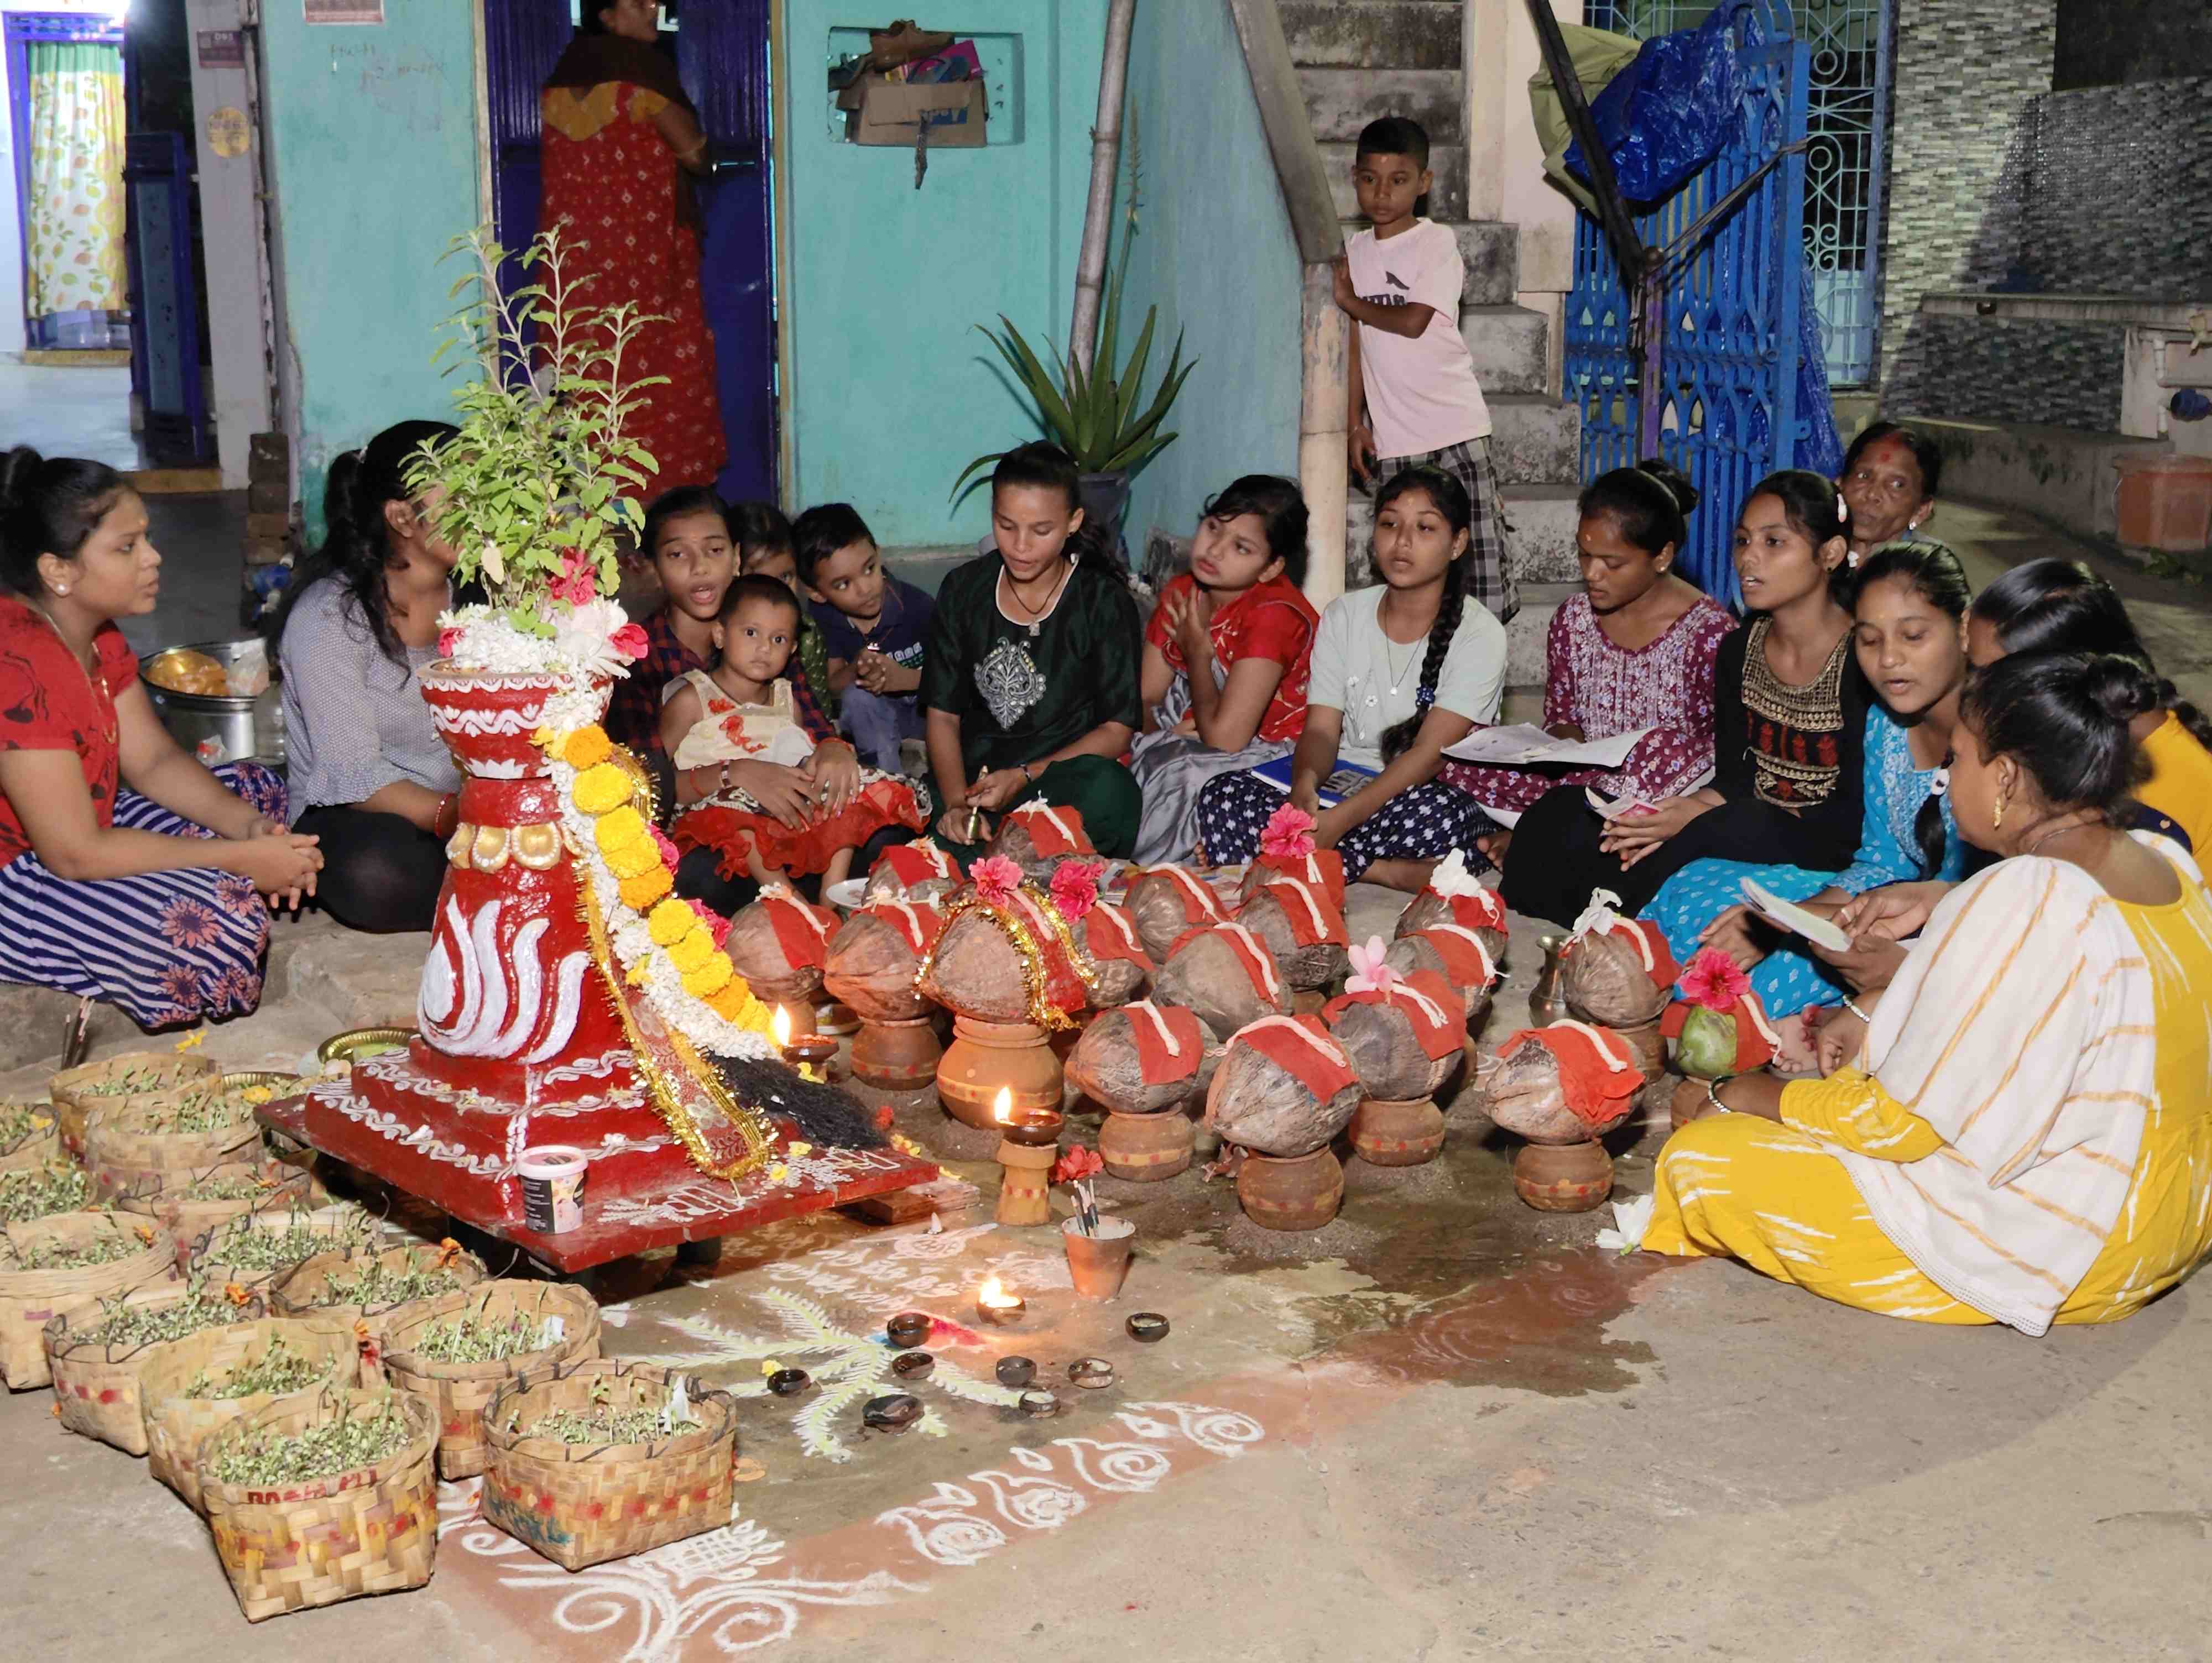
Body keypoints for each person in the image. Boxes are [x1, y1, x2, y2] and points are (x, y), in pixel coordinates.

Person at [1632, 653, 2212, 1333]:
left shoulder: (2027, 891)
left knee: (1708, 1159)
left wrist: (1741, 1094)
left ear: (2006, 778)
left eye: (1957, 759)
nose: (1942, 780)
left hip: (2073, 1245)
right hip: (2176, 1217)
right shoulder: (2164, 859)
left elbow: (1898, 1124)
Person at [0, 449, 321, 1026]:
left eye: (144, 539)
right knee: (215, 923)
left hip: (83, 828)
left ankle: (232, 861)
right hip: (20, 872)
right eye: (127, 547)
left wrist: (247, 830)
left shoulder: (94, 633)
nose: (153, 558)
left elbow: (149, 760)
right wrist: (243, 859)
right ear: (58, 571)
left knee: (256, 790)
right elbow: (75, 852)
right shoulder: (16, 666)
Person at [1806, 556, 2212, 1001]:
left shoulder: (2141, 794)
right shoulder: (2090, 757)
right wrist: (1945, 897)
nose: (1973, 694)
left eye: (1990, 678)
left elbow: (2079, 972)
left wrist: (1912, 974)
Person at [1498, 471, 1870, 925]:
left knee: (1709, 832)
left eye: (1774, 543)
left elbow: (1854, 810)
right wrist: (1677, 811)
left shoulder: (1864, 658)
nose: (1749, 558)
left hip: (1824, 837)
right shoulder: (1742, 648)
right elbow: (1735, 779)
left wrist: (1699, 816)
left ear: (1829, 554)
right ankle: (1595, 903)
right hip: (1739, 816)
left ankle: (1610, 913)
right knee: (1563, 813)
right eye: (1742, 540)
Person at [1640, 542, 1975, 1042]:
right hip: (1887, 903)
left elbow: (2019, 890)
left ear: (1964, 628)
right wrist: (1782, 918)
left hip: (1968, 929)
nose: (1888, 659)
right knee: (1701, 889)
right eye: (1868, 639)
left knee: (1781, 973)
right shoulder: (1885, 726)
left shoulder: (2001, 737)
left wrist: (1798, 927)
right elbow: (1882, 865)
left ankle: (1755, 1021)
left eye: (1913, 635)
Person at [1193, 465, 1507, 891]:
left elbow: (1430, 755)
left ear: (1457, 544)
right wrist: (1305, 787)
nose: (1403, 541)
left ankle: (1292, 854)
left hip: (1419, 792)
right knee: (1222, 795)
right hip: (1340, 780)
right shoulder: (1344, 615)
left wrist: (1340, 821)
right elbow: (1322, 729)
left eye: (1426, 529)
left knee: (1442, 821)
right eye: (1390, 524)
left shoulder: (1480, 633)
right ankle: (1382, 869)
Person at [1441, 459, 1733, 844]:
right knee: (1458, 750)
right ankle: (1562, 830)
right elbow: (1562, 718)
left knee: (1665, 750)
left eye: (1612, 563)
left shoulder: (1711, 633)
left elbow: (1718, 754)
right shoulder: (1573, 619)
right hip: (1585, 784)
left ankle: (1546, 832)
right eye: (1584, 556)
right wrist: (1560, 749)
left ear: (1662, 557)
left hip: (1663, 792)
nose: (1593, 573)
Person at [272, 421, 466, 934]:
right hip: (364, 814)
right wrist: (465, 819)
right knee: (375, 873)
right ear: (402, 517)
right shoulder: (331, 620)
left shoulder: (487, 597)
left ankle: (486, 889)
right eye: (462, 495)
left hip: (473, 812)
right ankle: (495, 895)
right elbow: (354, 775)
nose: (487, 514)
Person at [917, 442, 1144, 860]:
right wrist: (954, 804)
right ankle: (1007, 860)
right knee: (911, 819)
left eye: (1041, 531)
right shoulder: (963, 590)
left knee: (1111, 793)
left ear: (1073, 522)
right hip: (973, 784)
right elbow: (943, 716)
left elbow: (1117, 730)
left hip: (1055, 783)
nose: (1021, 546)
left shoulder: (1103, 603)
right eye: (1007, 526)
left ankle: (1008, 860)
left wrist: (1024, 775)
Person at [1334, 116, 1515, 623]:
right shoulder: (1353, 252)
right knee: (1404, 572)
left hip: (1455, 430)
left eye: (1398, 180)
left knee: (1478, 572)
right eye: (1370, 179)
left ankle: (1479, 690)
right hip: (1395, 443)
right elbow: (1354, 344)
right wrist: (1355, 422)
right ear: (1354, 179)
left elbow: (1414, 322)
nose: (1382, 193)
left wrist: (1350, 299)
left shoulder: (1435, 245)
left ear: (1424, 183)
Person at [540, 0, 725, 494]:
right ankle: (659, 504)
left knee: (583, 378)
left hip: (573, 274)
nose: (652, 9)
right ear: (606, 14)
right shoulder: (644, 76)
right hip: (645, 270)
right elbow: (699, 158)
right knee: (655, 382)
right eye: (639, 2)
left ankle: (588, 507)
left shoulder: (560, 81)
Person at [664, 575, 922, 891]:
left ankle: (834, 892)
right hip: (718, 809)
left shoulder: (787, 701)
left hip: (782, 811)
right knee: (734, 819)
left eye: (778, 640)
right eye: (750, 633)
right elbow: (653, 778)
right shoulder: (692, 699)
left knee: (844, 796)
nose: (763, 648)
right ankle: (787, 896)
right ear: (720, 634)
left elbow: (803, 756)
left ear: (793, 649)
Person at [1130, 475, 1319, 866]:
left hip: (1271, 749)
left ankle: (1144, 871)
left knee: (1179, 775)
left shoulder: (1274, 616)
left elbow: (1227, 740)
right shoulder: (1184, 591)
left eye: (1241, 547)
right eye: (1214, 527)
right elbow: (1146, 698)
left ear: (1271, 568)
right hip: (1197, 721)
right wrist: (1159, 735)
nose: (1215, 550)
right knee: (1114, 741)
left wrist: (1199, 654)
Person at [794, 501, 935, 775]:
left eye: (869, 569)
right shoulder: (825, 618)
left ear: (879, 555)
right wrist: (856, 668)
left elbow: (953, 679)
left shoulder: (918, 607)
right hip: (878, 719)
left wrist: (902, 679)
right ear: (818, 594)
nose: (865, 589)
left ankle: (925, 763)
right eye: (843, 584)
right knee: (858, 698)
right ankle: (887, 782)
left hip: (925, 709)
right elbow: (834, 685)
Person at [604, 484, 737, 762]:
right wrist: (731, 775)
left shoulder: (765, 634)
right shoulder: (634, 660)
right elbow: (643, 772)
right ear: (653, 569)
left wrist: (833, 748)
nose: (699, 566)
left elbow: (816, 730)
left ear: (736, 558)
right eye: (677, 554)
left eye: (715, 549)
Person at [732, 502, 837, 731]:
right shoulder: (724, 630)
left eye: (785, 576)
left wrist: (831, 746)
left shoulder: (804, 635)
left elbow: (818, 716)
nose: (775, 592)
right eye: (759, 580)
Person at [1838, 420, 1941, 567]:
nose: (1872, 494)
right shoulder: (1810, 551)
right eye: (1863, 476)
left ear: (1921, 511)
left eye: (1897, 485)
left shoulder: (1931, 572)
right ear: (1839, 485)